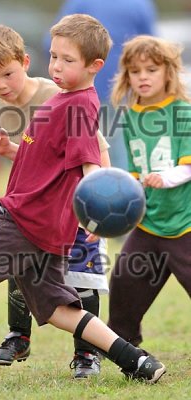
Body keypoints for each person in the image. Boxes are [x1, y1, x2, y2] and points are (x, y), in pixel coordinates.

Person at [0, 15, 166, 390]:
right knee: (58, 309)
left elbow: (90, 164)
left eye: (68, 60)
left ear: (95, 66)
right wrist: (12, 149)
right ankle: (136, 359)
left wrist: (96, 214)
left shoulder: (76, 108)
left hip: (22, 221)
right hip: (44, 231)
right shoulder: (67, 100)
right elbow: (47, 162)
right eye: (54, 57)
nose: (57, 66)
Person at [0, 25, 110, 378]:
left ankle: (88, 354)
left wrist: (100, 204)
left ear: (24, 63)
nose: (1, 86)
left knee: (84, 275)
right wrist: (7, 149)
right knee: (21, 266)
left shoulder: (62, 92)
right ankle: (17, 335)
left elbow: (94, 150)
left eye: (7, 75)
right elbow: (35, 160)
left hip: (77, 203)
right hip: (36, 210)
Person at [107, 35, 191, 346]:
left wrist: (165, 178)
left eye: (151, 69)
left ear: (168, 72)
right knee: (124, 281)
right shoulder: (130, 117)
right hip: (148, 220)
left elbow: (187, 167)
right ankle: (122, 345)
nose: (143, 77)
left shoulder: (182, 112)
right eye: (135, 70)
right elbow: (134, 174)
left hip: (185, 222)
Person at [43, 0, 157, 170]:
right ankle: (119, 190)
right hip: (123, 88)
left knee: (84, 147)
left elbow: (50, 42)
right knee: (118, 149)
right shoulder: (140, 4)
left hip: (83, 88)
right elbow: (152, 49)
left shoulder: (80, 2)